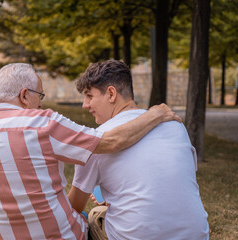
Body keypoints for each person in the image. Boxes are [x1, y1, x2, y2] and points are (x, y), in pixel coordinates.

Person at [0, 63, 181, 240]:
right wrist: (156, 114)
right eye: (39, 95)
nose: (40, 104)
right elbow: (112, 141)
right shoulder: (43, 123)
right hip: (60, 236)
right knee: (91, 216)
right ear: (24, 95)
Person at [68, 60, 209, 240]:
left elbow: (73, 207)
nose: (85, 105)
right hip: (196, 235)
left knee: (94, 214)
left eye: (89, 96)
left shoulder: (98, 139)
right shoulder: (174, 124)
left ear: (111, 94)